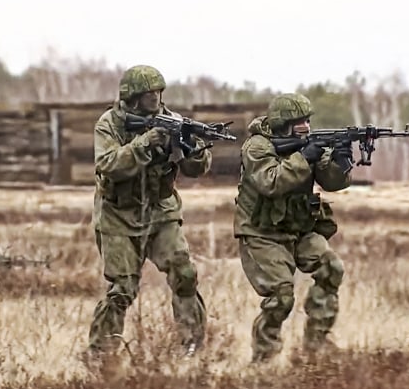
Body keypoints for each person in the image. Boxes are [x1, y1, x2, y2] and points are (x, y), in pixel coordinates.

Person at [88, 64, 210, 358]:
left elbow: (196, 170)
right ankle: (101, 354)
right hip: (118, 215)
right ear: (132, 96)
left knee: (184, 273)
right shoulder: (110, 124)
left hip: (160, 212)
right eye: (148, 93)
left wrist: (192, 148)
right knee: (122, 289)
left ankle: (192, 344)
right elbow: (109, 165)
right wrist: (147, 141)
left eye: (158, 91)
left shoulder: (172, 121)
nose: (155, 97)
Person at [233, 93, 354, 363]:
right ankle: (265, 358)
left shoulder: (306, 145)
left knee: (331, 268)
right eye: (299, 122)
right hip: (262, 233)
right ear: (283, 124)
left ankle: (316, 344)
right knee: (281, 296)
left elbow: (332, 181)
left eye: (308, 121)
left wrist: (340, 163)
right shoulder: (256, 147)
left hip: (299, 229)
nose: (306, 127)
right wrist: (304, 157)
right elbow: (270, 182)